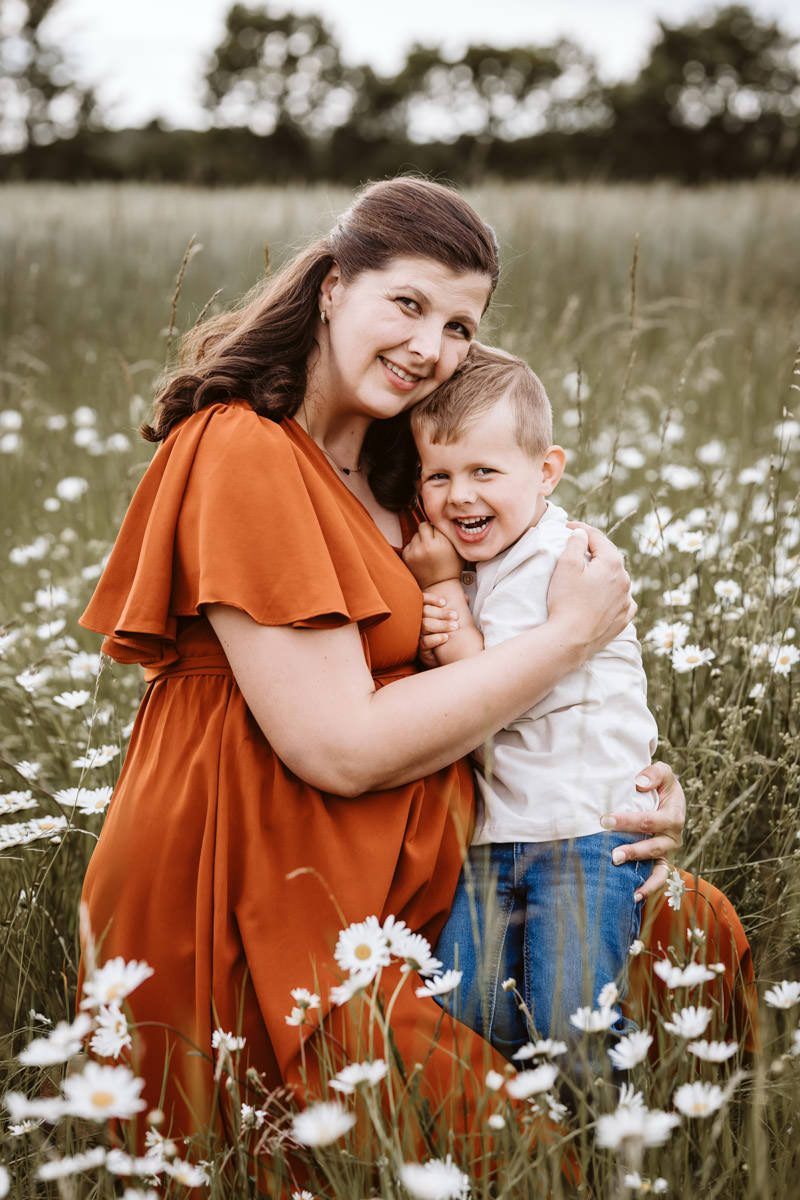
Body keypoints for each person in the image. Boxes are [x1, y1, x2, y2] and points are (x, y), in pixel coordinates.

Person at [76, 177, 740, 1159]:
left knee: (691, 924)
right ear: (332, 286)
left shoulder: (418, 470)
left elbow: (496, 655)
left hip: (448, 868)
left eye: (460, 326)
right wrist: (569, 637)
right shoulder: (244, 448)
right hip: (270, 886)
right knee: (507, 1149)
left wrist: (613, 785)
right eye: (408, 304)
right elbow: (339, 750)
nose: (431, 347)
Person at [402, 343, 659, 1061]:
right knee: (468, 1011)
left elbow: (490, 689)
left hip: (583, 832)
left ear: (546, 471)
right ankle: (532, 1120)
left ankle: (610, 1121)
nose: (459, 495)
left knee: (572, 1020)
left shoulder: (557, 558)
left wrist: (440, 587)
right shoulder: (487, 556)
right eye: (438, 476)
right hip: (499, 832)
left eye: (484, 471)